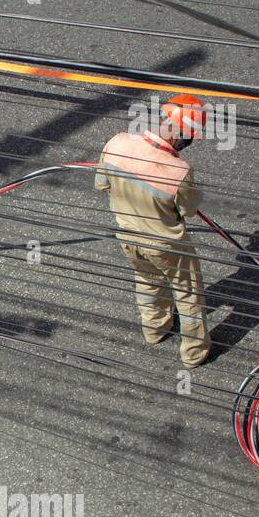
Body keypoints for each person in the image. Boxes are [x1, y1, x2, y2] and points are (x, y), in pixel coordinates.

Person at [95, 94, 211, 368]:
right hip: (167, 245)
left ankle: (155, 331)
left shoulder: (117, 143)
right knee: (188, 293)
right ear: (179, 132)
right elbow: (187, 211)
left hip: (128, 237)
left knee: (147, 282)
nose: (189, 142)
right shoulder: (178, 170)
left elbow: (103, 185)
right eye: (189, 136)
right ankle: (194, 353)